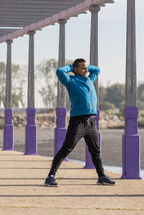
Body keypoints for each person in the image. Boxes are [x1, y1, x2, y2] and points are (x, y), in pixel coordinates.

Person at [44, 58, 115, 186]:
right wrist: (71, 67)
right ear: (75, 69)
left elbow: (97, 70)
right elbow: (60, 71)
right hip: (78, 122)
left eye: (86, 68)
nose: (86, 70)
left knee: (95, 151)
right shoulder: (71, 81)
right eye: (82, 68)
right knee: (66, 149)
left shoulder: (89, 79)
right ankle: (50, 177)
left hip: (91, 122)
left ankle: (101, 176)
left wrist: (86, 66)